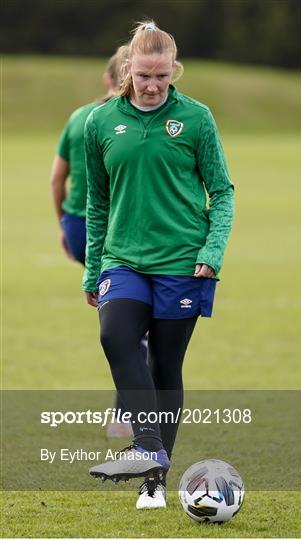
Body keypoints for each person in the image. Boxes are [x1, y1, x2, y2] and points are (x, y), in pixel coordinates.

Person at [83, 21, 234, 510]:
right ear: (127, 69)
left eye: (162, 77)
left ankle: (154, 482)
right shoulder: (100, 123)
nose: (152, 85)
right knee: (115, 337)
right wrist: (92, 270)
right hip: (123, 259)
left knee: (165, 365)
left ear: (174, 72)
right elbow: (97, 202)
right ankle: (148, 446)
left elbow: (223, 192)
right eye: (144, 75)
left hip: (182, 264)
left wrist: (211, 253)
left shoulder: (196, 119)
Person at [50, 46, 134, 438]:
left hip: (77, 226)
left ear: (107, 79)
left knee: (121, 315)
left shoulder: (78, 116)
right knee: (135, 321)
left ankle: (127, 410)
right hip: (114, 230)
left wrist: (65, 228)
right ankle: (124, 414)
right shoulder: (125, 121)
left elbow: (56, 180)